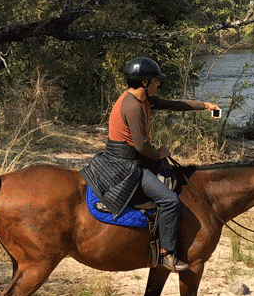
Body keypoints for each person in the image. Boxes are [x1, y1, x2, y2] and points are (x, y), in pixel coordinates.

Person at [83, 57, 220, 272]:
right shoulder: (133, 108)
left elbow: (173, 104)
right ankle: (167, 254)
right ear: (145, 82)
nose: (159, 84)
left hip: (132, 158)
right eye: (156, 80)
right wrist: (160, 154)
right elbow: (142, 148)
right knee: (169, 200)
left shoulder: (143, 99)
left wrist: (204, 106)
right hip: (127, 165)